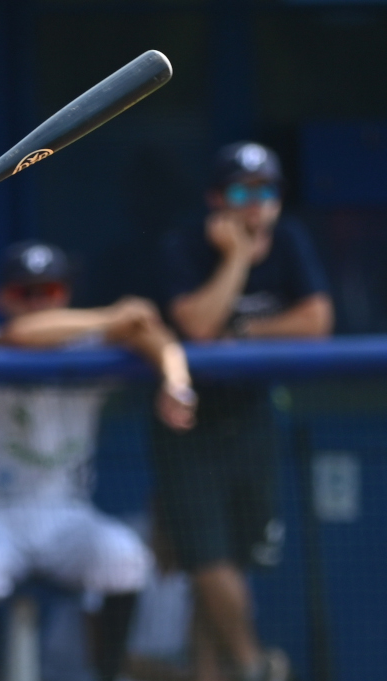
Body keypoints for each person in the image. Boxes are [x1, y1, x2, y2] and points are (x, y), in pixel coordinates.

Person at [0, 240, 197, 681]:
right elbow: (24, 334)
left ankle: (110, 675)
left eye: (51, 290)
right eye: (27, 293)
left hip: (68, 513)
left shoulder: (88, 345)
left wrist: (175, 380)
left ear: (65, 293)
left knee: (124, 557)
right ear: (2, 297)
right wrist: (112, 316)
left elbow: (149, 334)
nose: (40, 302)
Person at [154, 141, 334, 681]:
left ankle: (209, 673)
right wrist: (234, 257)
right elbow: (198, 325)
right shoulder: (184, 245)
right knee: (208, 561)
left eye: (267, 192)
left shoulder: (291, 242)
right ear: (216, 199)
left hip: (254, 418)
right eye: (241, 192)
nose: (256, 205)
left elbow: (317, 320)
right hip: (187, 422)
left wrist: (246, 331)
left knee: (236, 561)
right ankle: (255, 666)